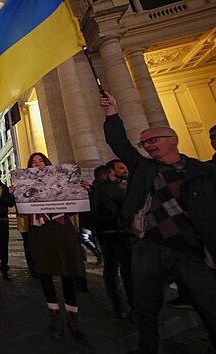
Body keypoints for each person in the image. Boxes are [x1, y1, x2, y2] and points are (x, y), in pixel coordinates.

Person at [101, 92, 216, 352]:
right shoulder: (144, 168)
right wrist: (111, 112)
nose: (149, 145)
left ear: (174, 140)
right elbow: (118, 142)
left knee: (209, 306)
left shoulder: (204, 172)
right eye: (144, 143)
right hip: (149, 246)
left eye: (154, 140)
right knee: (146, 309)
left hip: (191, 249)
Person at [17, 152, 88, 344]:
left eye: (40, 161)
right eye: (33, 162)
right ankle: (55, 315)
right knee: (45, 272)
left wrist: (83, 192)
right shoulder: (25, 185)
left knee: (68, 271)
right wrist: (13, 194)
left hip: (61, 228)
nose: (37, 164)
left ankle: (73, 316)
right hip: (39, 230)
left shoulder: (62, 180)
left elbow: (74, 206)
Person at [89, 164, 133, 319]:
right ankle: (132, 304)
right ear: (106, 175)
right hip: (118, 232)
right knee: (127, 269)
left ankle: (117, 303)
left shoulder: (91, 190)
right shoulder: (111, 188)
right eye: (113, 175)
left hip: (102, 233)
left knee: (110, 268)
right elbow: (130, 205)